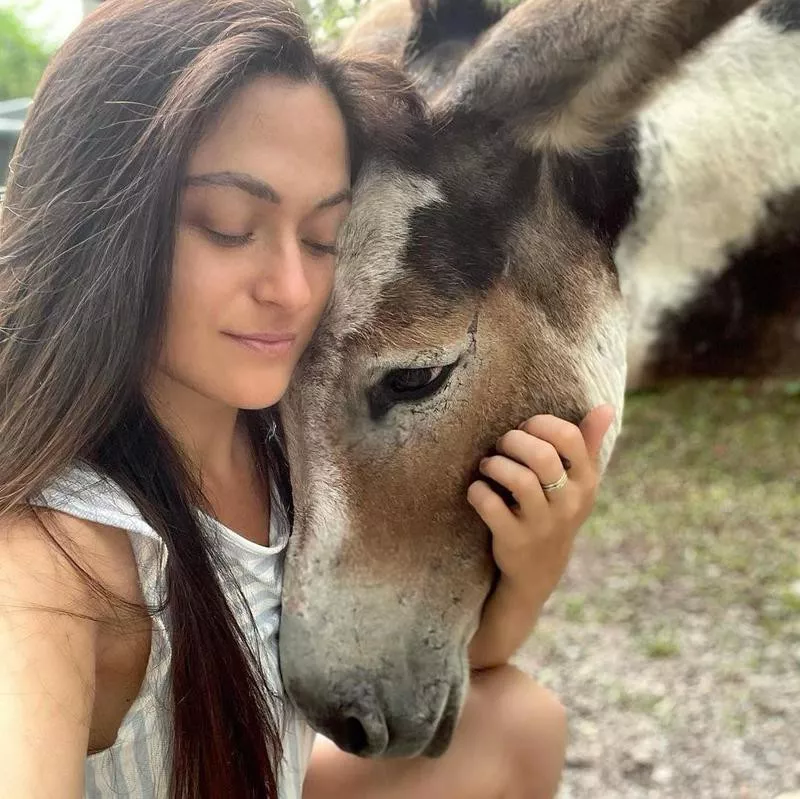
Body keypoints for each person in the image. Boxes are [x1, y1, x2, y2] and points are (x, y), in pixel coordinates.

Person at [0, 1, 614, 797]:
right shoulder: (57, 561)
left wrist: (533, 563)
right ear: (95, 227)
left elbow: (425, 675)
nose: (293, 289)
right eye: (227, 226)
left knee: (517, 721)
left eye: (324, 237)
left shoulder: (282, 440)